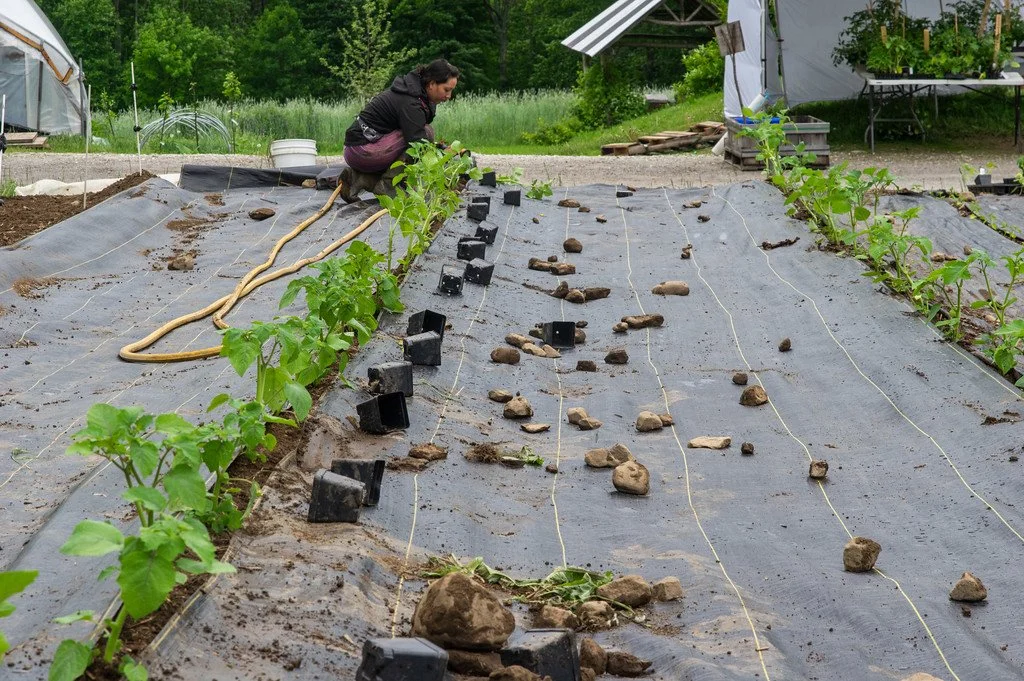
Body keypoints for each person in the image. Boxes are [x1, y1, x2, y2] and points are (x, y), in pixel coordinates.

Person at [339, 58, 460, 202]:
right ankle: (388, 187)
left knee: (420, 138)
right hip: (362, 149)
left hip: (356, 149)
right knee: (424, 136)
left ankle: (356, 179)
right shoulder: (410, 101)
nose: (449, 96)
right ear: (432, 83)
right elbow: (418, 142)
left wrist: (439, 148)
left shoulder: (416, 94)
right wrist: (443, 155)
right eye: (446, 90)